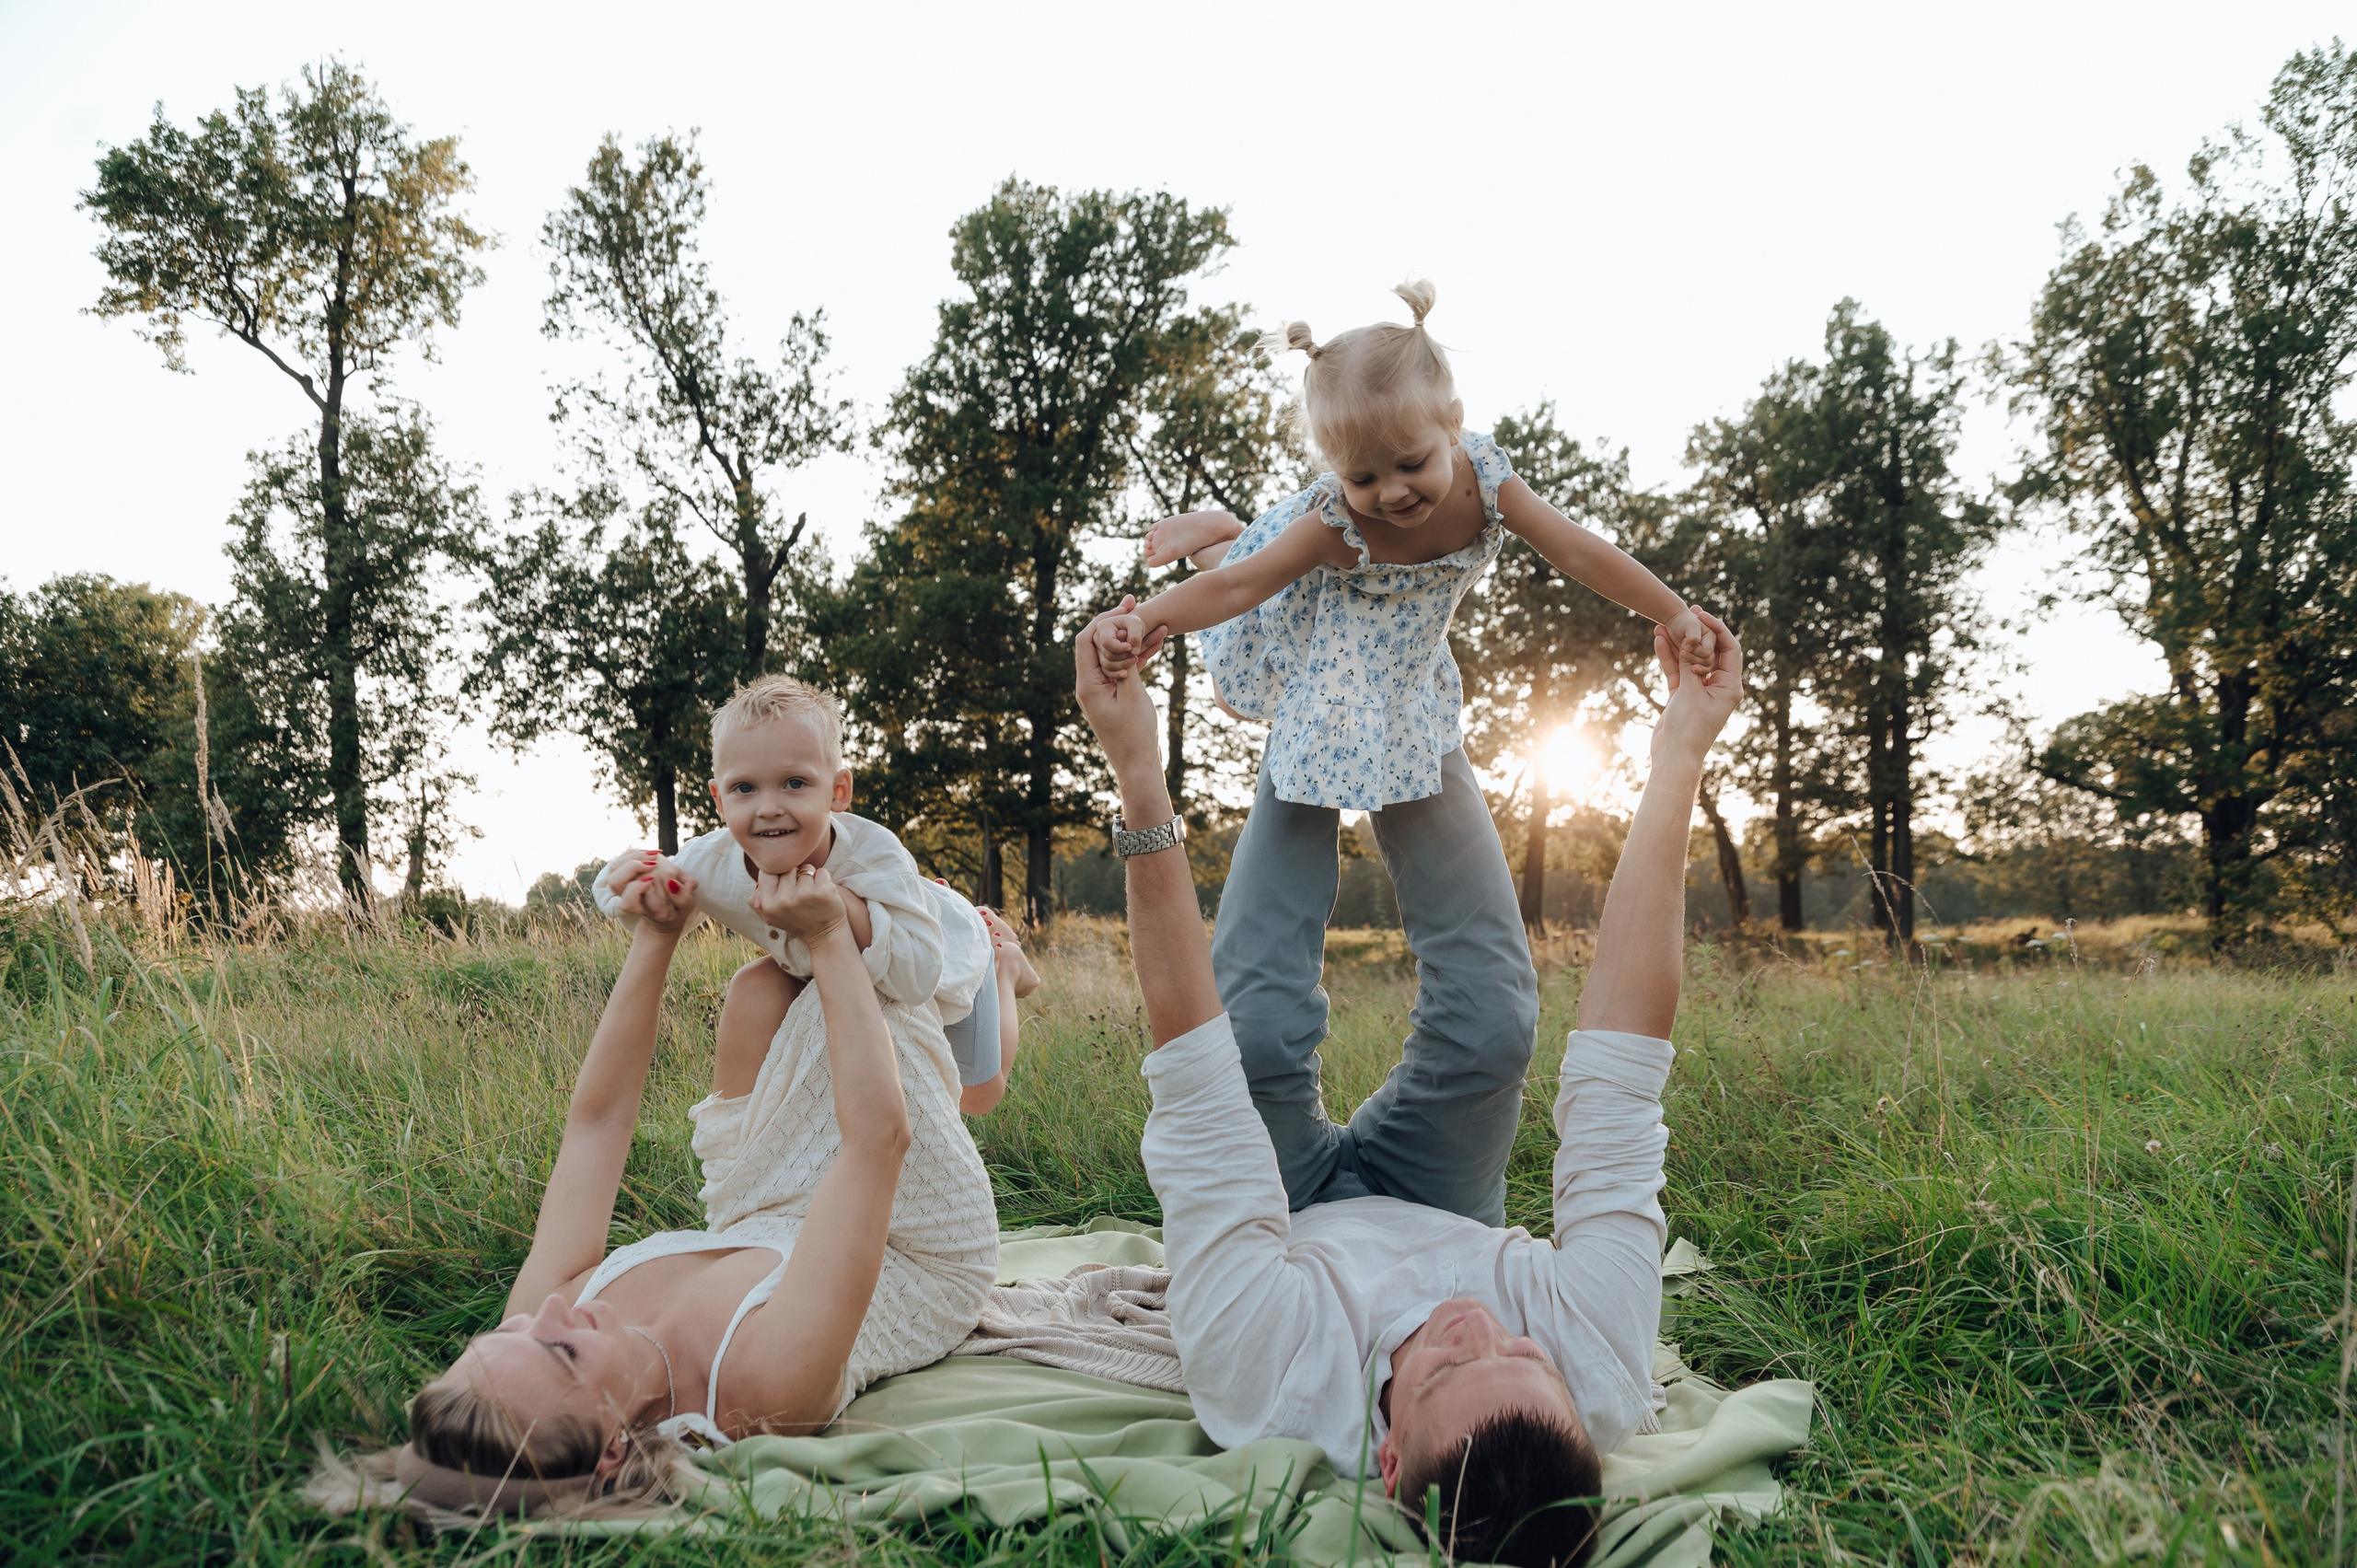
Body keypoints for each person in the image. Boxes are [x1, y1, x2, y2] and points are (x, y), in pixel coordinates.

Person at [1072, 601, 1743, 1568]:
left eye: (1447, 1367)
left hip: (1285, 1219)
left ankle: (1313, 681)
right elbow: (1621, 1067)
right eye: (1522, 1353)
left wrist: (1137, 767)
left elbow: (1194, 1063)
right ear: (1580, 1404)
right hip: (1442, 1198)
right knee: (1491, 1028)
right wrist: (1682, 745)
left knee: (1253, 1032)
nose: (1475, 1328)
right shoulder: (1602, 1361)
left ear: (1386, 1462)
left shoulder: (1266, 1380)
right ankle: (1393, 659)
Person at [1092, 281, 1711, 1225]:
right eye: (1362, 476)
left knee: (1495, 1009)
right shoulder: (1336, 523)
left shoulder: (1490, 482)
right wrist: (1147, 623)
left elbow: (1581, 553)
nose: (1390, 494)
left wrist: (1671, 610)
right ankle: (1216, 540)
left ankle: (1220, 535)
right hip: (1322, 681)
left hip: (1413, 708)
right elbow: (1253, 590)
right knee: (1243, 593)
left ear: (1453, 423)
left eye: (1409, 463)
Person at [312, 853, 1003, 1524]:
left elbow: (597, 1124)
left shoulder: (545, 1312)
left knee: (758, 990)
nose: (547, 1313)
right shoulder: (764, 1386)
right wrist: (826, 934)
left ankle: (960, 963)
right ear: (614, 1446)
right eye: (562, 1352)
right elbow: (878, 1143)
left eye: (509, 1332)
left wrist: (657, 935)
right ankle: (996, 986)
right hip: (911, 1238)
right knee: (875, 990)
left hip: (758, 1206)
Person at [593, 676, 1021, 1114]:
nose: (769, 807)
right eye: (745, 788)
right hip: (846, 961)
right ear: (719, 800)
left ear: (838, 791)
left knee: (978, 1099)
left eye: (794, 783)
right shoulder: (711, 862)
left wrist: (835, 910)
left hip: (951, 948)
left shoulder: (875, 854)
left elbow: (918, 980)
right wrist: (632, 883)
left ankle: (1004, 962)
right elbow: (647, 910)